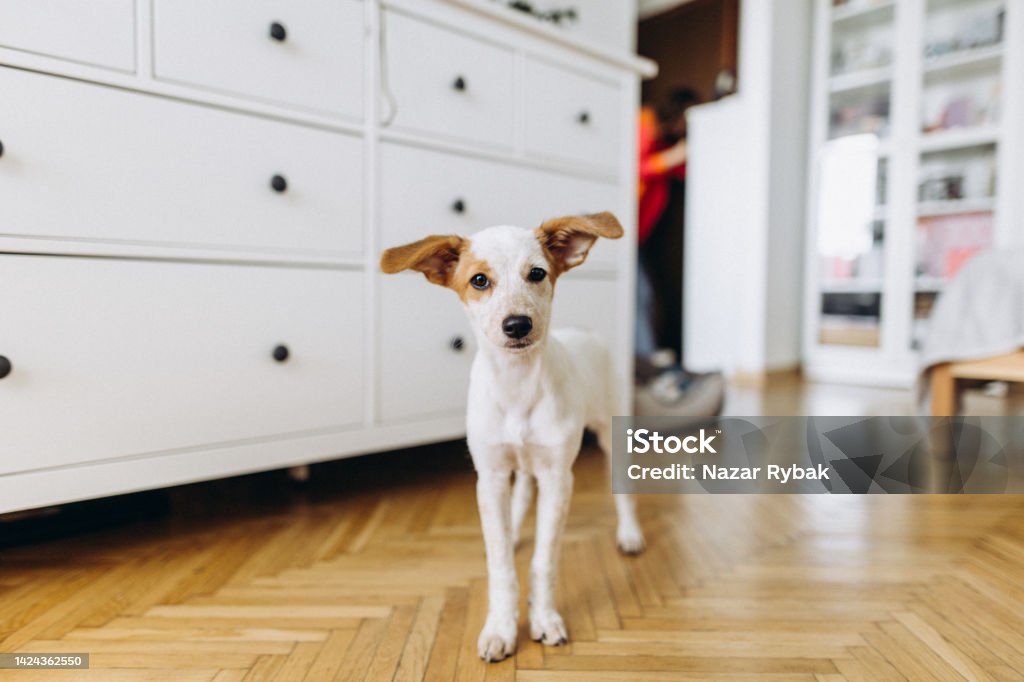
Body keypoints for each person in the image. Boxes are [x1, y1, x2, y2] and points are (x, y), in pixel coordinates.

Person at [635, 88, 725, 419]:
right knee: (640, 293)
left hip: (640, 237)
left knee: (645, 293)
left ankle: (650, 359)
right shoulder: (644, 123)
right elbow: (636, 167)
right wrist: (676, 155)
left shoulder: (668, 145)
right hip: (624, 230)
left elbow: (685, 173)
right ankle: (647, 363)